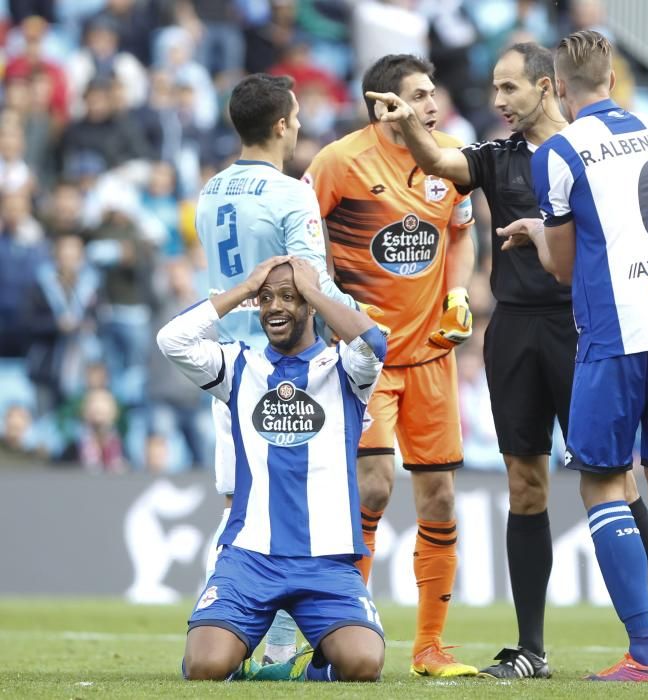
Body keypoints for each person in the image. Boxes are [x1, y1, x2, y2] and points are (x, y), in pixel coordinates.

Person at [365, 19, 648, 679]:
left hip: (587, 327)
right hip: (516, 331)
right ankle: (533, 647)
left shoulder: (584, 149)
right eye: (492, 87)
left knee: (617, 480)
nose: (498, 98)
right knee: (524, 484)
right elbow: (441, 162)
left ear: (546, 86)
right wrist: (409, 125)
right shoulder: (500, 155)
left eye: (508, 86)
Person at [499, 29, 648, 683]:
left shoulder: (558, 152)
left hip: (618, 329)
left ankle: (645, 652)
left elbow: (562, 269)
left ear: (558, 87)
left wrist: (537, 232)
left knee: (601, 482)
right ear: (613, 79)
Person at [303, 54, 478, 678]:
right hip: (364, 359)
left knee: (439, 497)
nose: (434, 104)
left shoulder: (449, 157)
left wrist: (457, 292)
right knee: (373, 487)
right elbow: (301, 242)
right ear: (385, 105)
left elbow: (460, 232)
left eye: (433, 93)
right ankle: (346, 629)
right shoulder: (336, 162)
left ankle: (430, 647)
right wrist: (327, 307)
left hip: (431, 355)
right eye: (420, 95)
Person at [194, 73, 360, 665]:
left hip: (225, 369)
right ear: (283, 124)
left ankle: (235, 635)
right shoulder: (291, 194)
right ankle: (275, 651)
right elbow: (308, 285)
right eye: (295, 116)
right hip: (279, 365)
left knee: (241, 511)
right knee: (282, 510)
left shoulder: (210, 191)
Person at [158, 255, 387, 683]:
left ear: (311, 306)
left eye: (288, 297)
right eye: (266, 299)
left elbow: (375, 344)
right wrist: (245, 290)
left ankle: (315, 669)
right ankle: (235, 654)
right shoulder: (239, 367)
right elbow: (172, 339)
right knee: (204, 667)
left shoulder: (345, 370)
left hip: (327, 561)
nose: (274, 307)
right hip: (250, 559)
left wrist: (315, 289)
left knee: (363, 665)